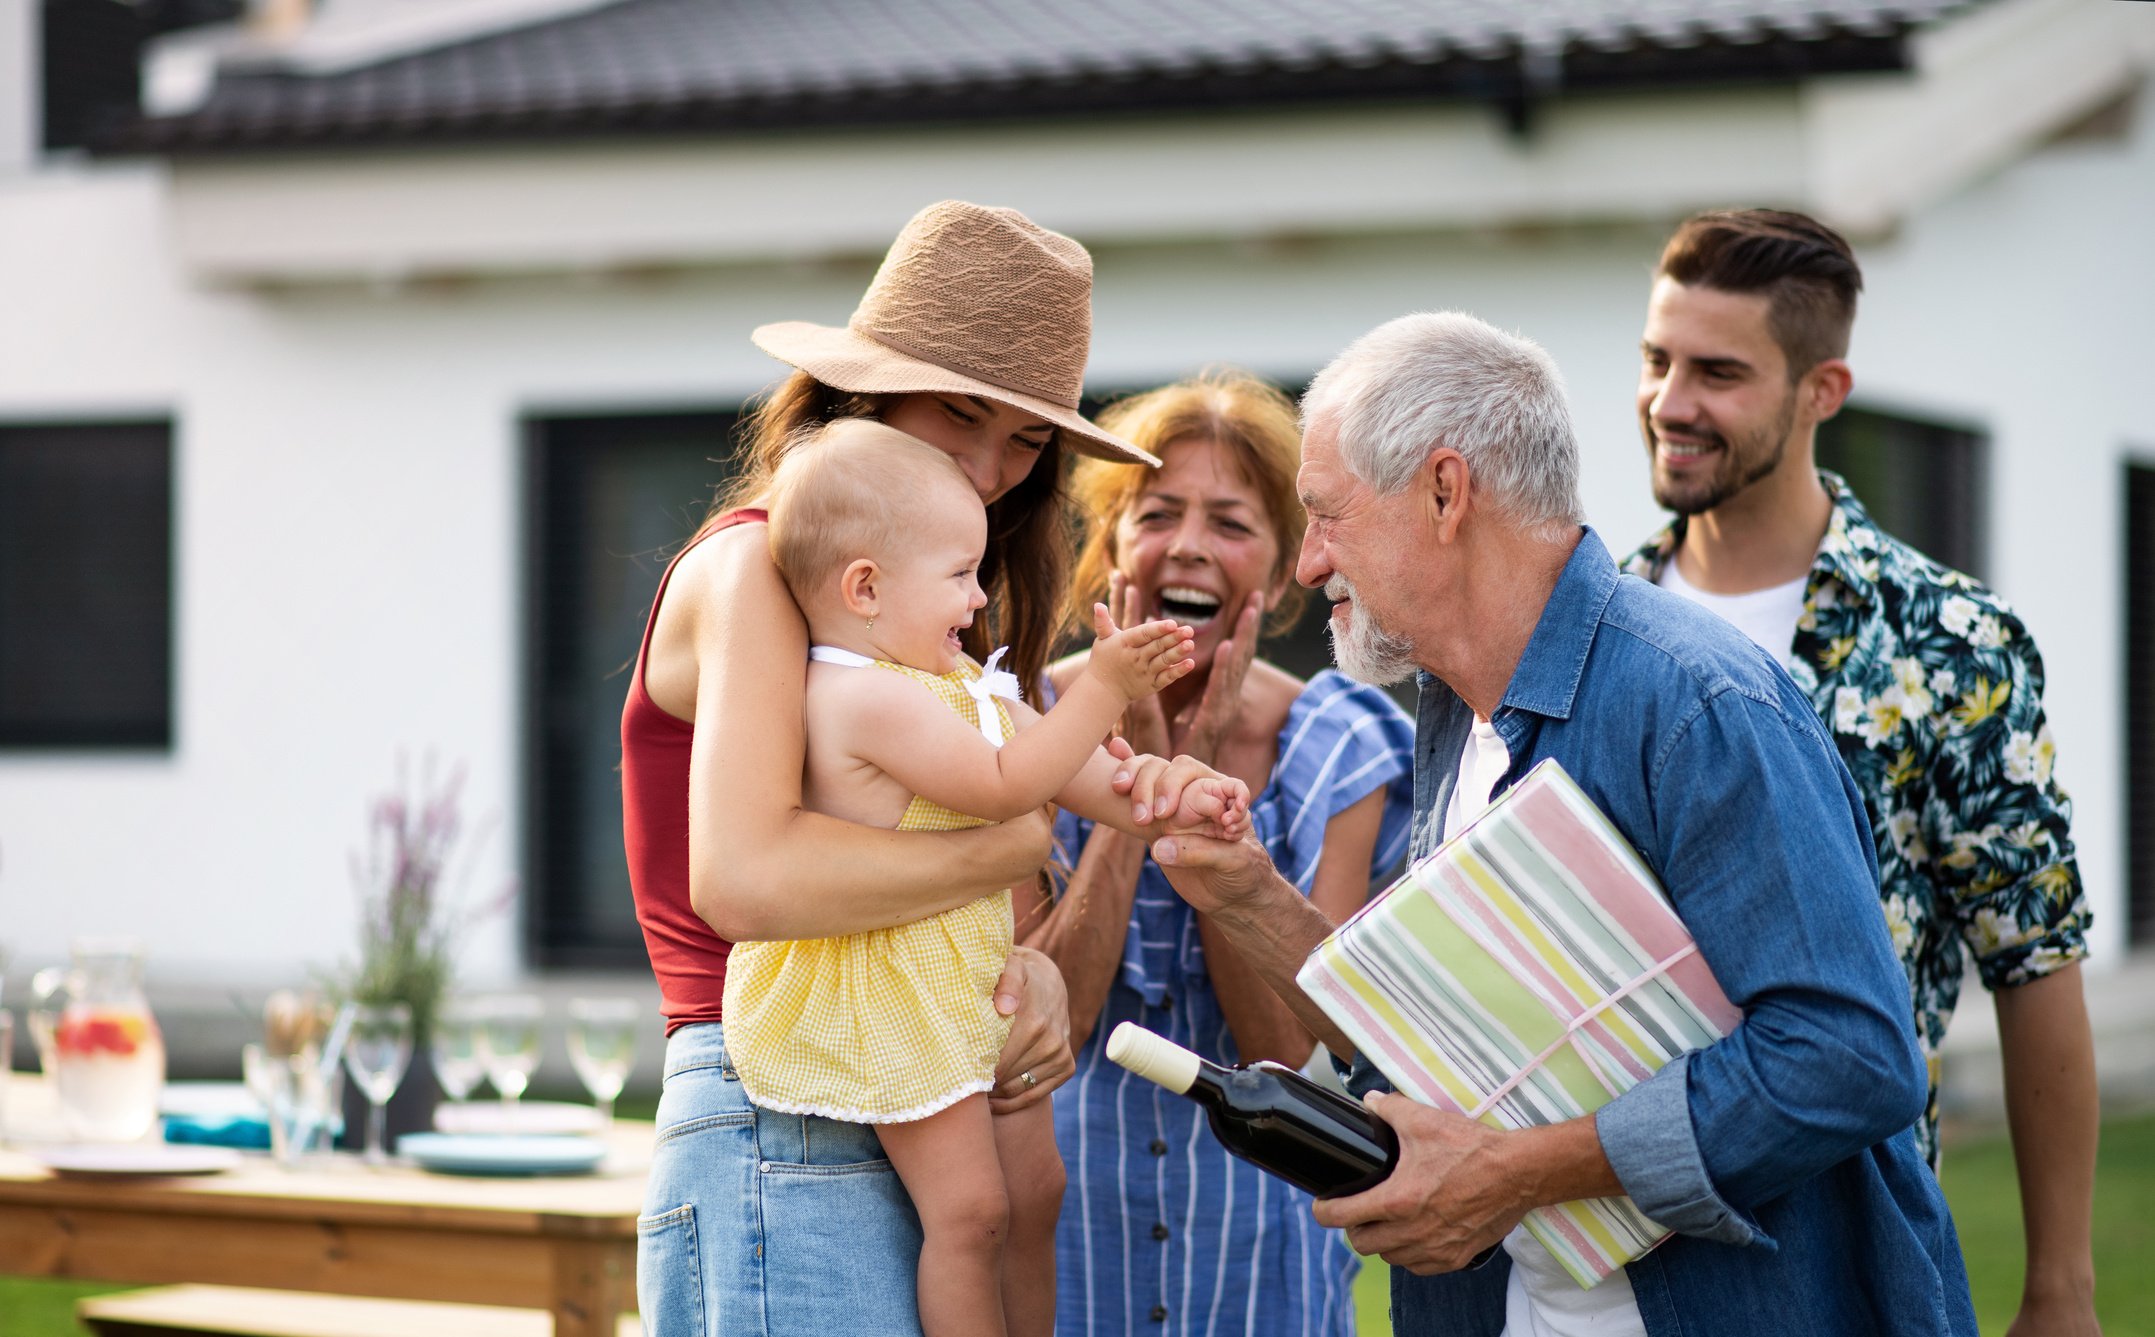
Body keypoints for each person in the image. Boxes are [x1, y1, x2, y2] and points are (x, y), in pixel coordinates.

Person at [1143, 311, 1978, 1336]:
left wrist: (1507, 1173)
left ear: (1445, 491)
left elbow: (1848, 1055)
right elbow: (1444, 1037)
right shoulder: (1452, 706)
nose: (1309, 563)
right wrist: (1243, 891)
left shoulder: (1699, 705)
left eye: (1327, 515)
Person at [621, 200, 1197, 1337]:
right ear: (859, 394)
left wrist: (1024, 972)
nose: (988, 470)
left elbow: (949, 885)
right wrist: (1010, 839)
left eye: (1028, 440)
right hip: (774, 1106)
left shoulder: (933, 614)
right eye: (961, 414)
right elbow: (741, 877)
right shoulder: (757, 568)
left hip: (906, 1083)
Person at [1621, 209, 2099, 1335]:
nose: (1669, 401)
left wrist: (2060, 1288)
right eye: (1656, 358)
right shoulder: (1598, 629)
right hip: (1608, 1247)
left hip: (1851, 1251)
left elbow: (2035, 966)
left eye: (1718, 371)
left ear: (1821, 390)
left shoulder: (1953, 643)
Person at [725, 420, 1251, 1337]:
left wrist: (1165, 792)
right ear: (865, 587)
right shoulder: (857, 695)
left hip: (960, 980)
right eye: (959, 574)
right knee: (969, 1212)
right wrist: (1102, 686)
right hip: (892, 995)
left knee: (1035, 1188)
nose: (977, 597)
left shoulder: (946, 676)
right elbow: (1009, 784)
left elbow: (1085, 775)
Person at [1019, 369, 1416, 1336]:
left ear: (1282, 571)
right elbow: (1045, 1037)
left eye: (1232, 523)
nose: (1189, 545)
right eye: (1157, 514)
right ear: (1109, 552)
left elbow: (1286, 1051)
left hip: (1259, 1246)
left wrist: (1190, 798)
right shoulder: (1019, 722)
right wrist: (1139, 790)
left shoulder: (1343, 743)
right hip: (1067, 1226)